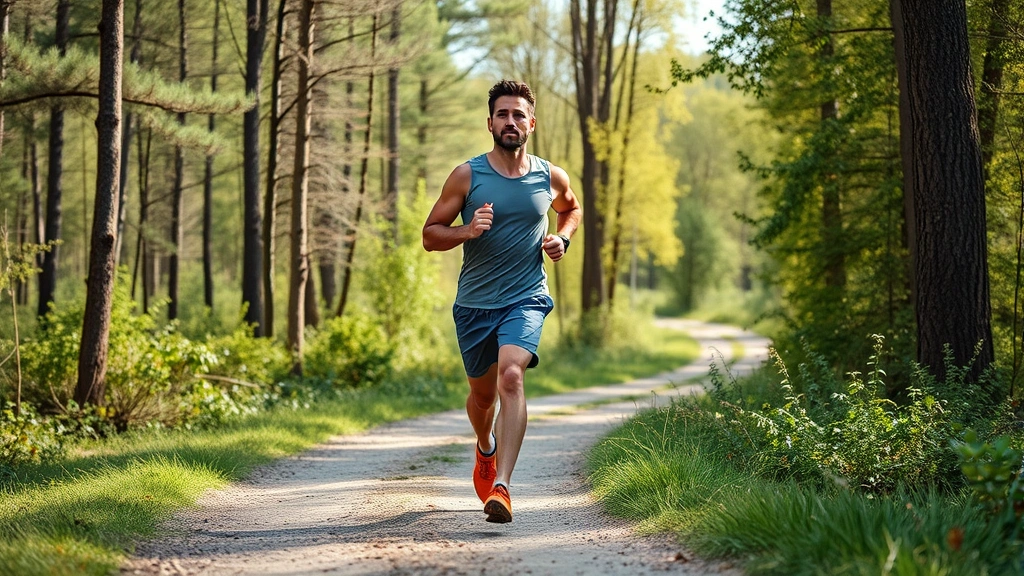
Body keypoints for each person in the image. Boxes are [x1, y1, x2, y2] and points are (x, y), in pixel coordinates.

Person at [422, 80, 582, 524]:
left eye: (518, 115)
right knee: (482, 399)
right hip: (474, 304)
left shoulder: (550, 175)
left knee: (511, 375)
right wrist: (467, 231)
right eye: (502, 115)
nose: (509, 122)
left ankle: (503, 488)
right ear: (489, 122)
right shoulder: (467, 176)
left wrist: (562, 239)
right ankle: (485, 446)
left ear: (531, 123)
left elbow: (572, 209)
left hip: (526, 297)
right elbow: (430, 235)